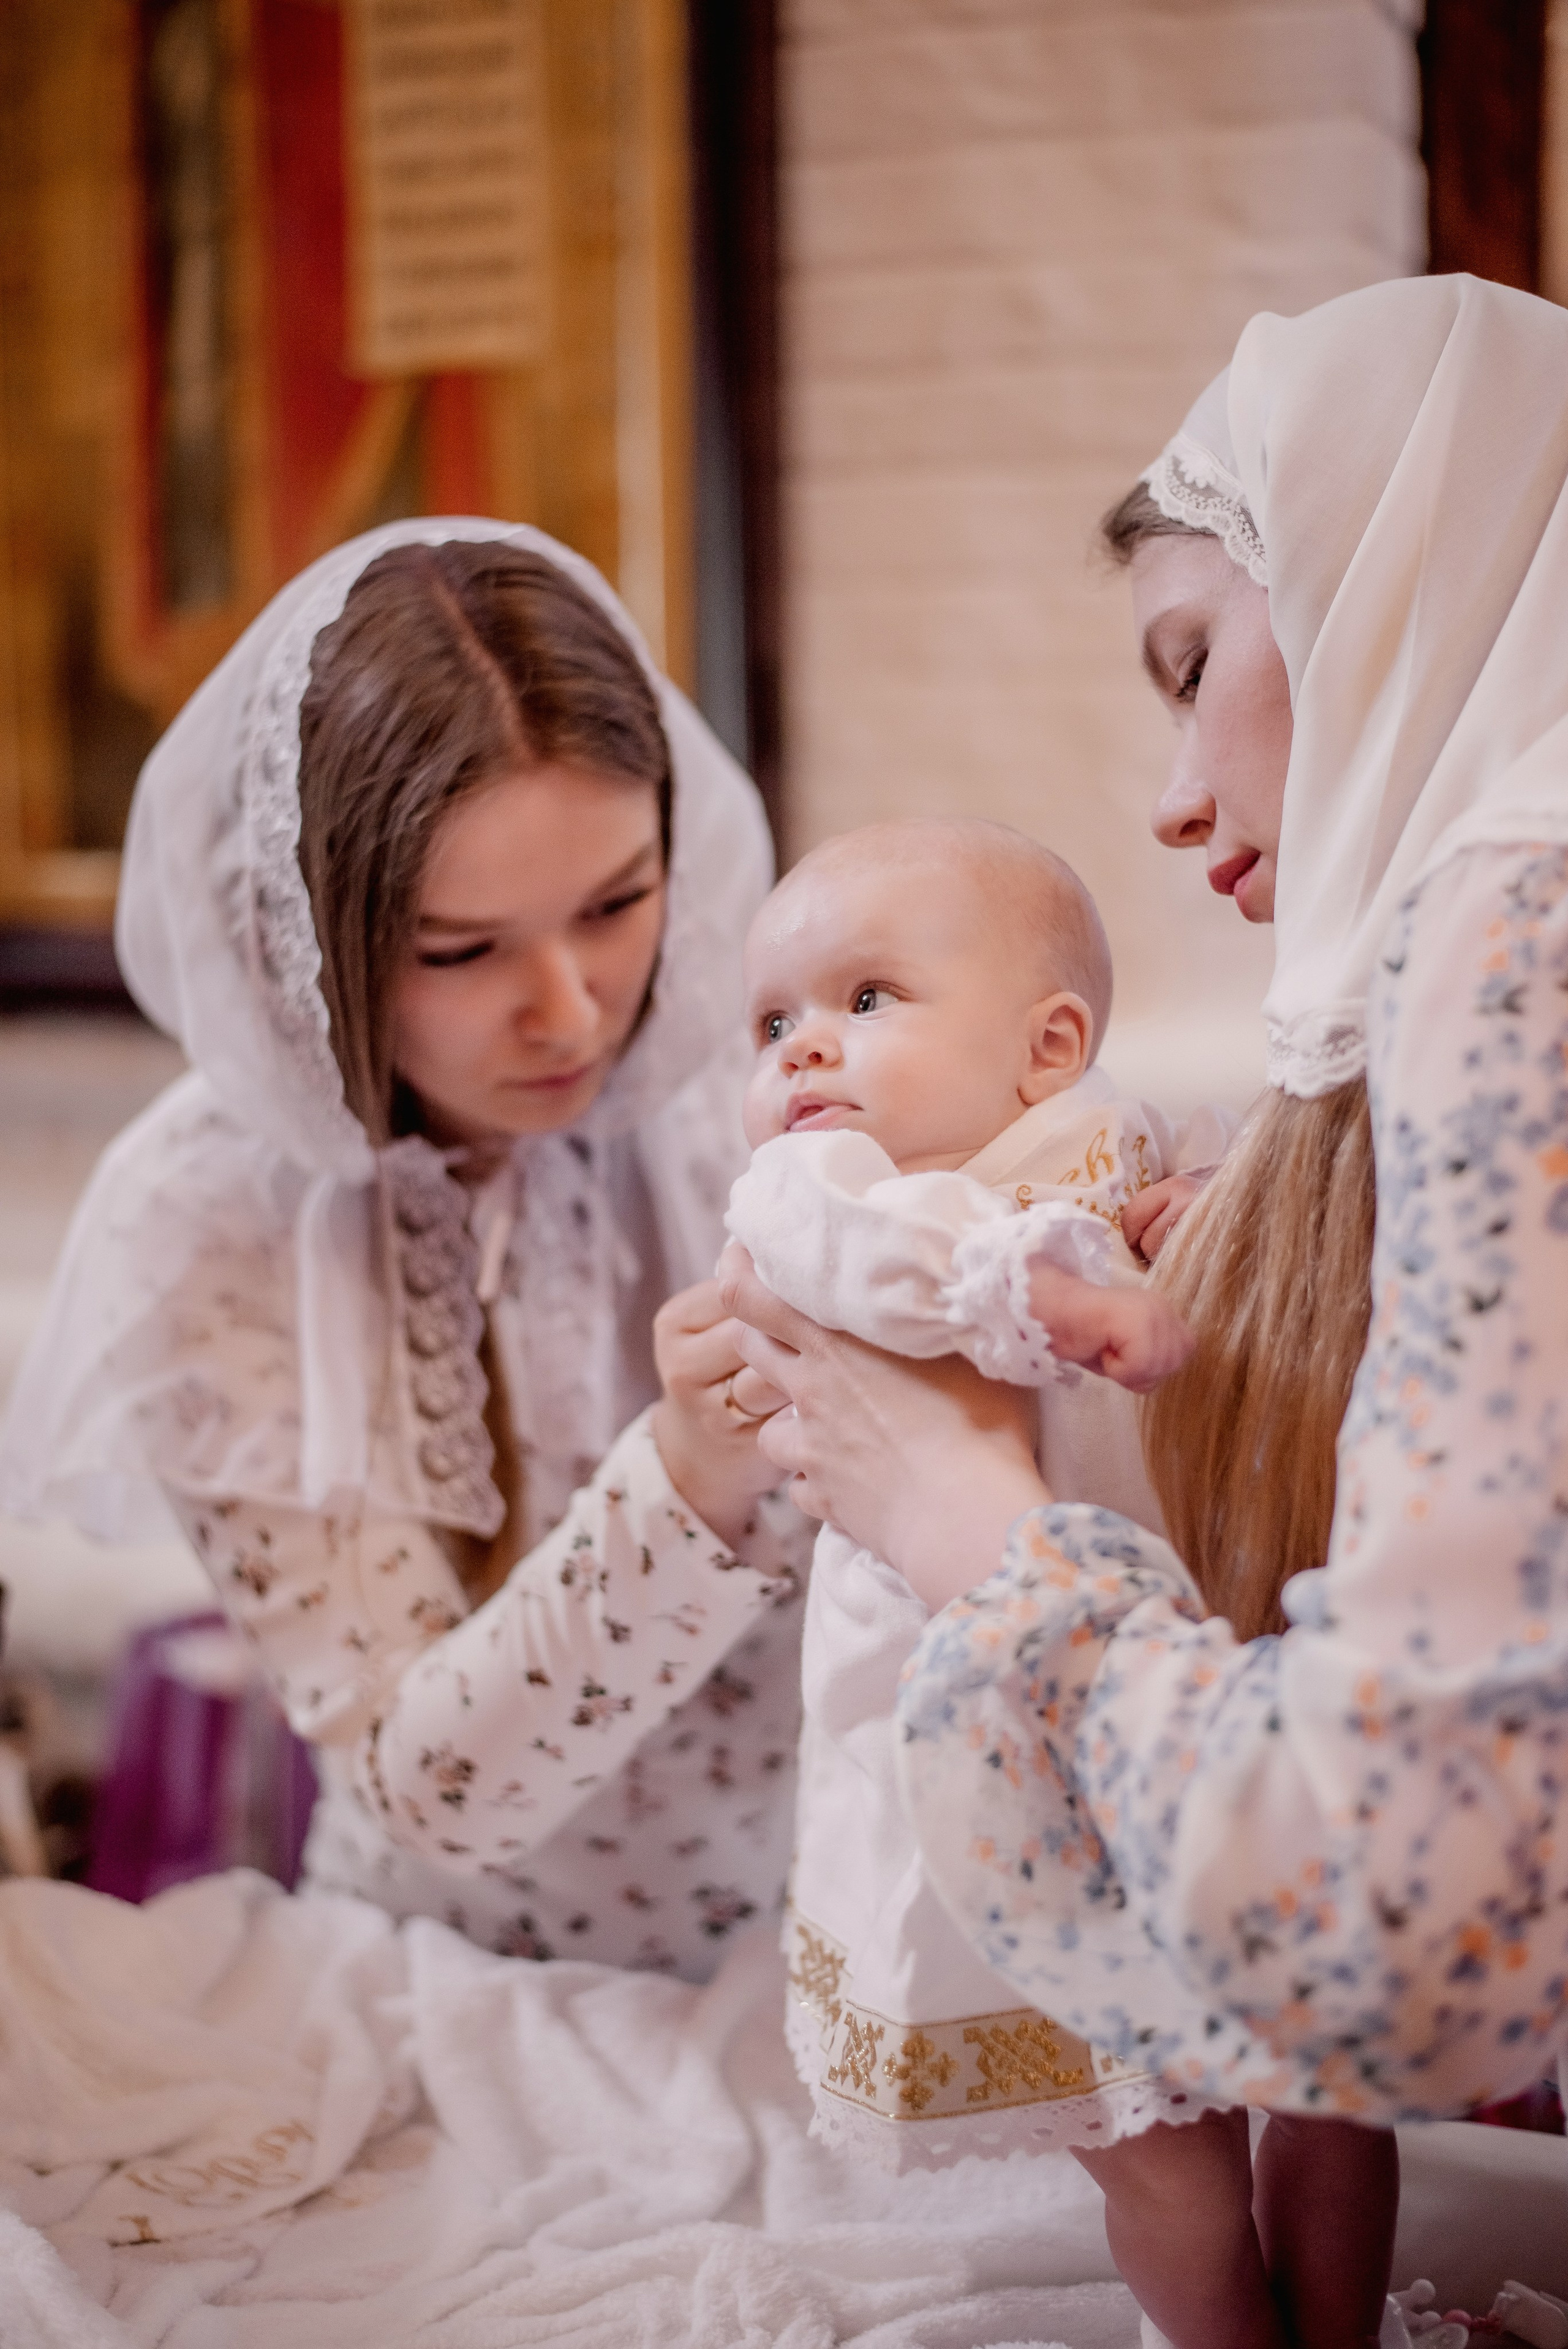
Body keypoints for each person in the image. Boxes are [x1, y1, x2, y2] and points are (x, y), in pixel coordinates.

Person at [722, 272, 1568, 2348]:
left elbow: (1397, 1922)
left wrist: (964, 1515)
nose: (1178, 796)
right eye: (776, 1019)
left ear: (1395, 588)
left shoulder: (1516, 929)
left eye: (1198, 667)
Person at [0, 520, 812, 1977]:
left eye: (616, 903)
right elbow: (432, 1792)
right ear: (316, 936)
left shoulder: (753, 1083)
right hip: (456, 1991)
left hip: (825, 1946)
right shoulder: (207, 1221)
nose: (569, 1009)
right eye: (460, 949)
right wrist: (688, 1474)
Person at [725, 816, 1390, 2349]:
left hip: (1192, 1683)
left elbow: (1247, 1195)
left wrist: (1205, 1200)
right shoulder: (817, 1195)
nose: (802, 1048)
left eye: (864, 999)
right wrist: (1052, 1294)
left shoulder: (1122, 1137)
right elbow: (897, 1264)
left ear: (1049, 1047)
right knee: (1162, 2151)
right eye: (769, 1023)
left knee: (1330, 2085)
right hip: (1001, 1760)